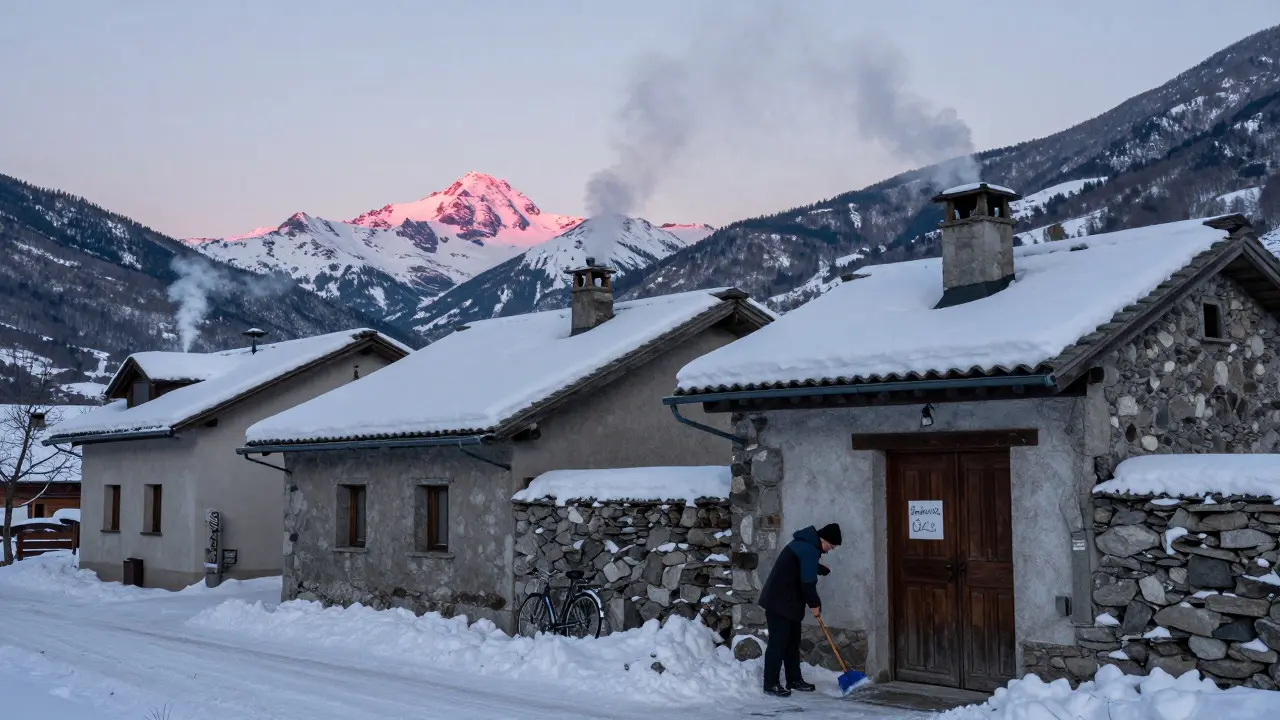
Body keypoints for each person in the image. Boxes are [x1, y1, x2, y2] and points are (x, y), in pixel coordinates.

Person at [756, 522, 842, 697]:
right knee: (778, 643)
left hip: (789, 602)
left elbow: (800, 565)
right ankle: (770, 684)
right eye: (830, 546)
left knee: (792, 643)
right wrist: (815, 605)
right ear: (823, 539)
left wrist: (819, 568)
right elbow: (807, 583)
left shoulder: (806, 544)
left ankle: (794, 679)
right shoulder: (809, 549)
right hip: (780, 602)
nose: (828, 550)